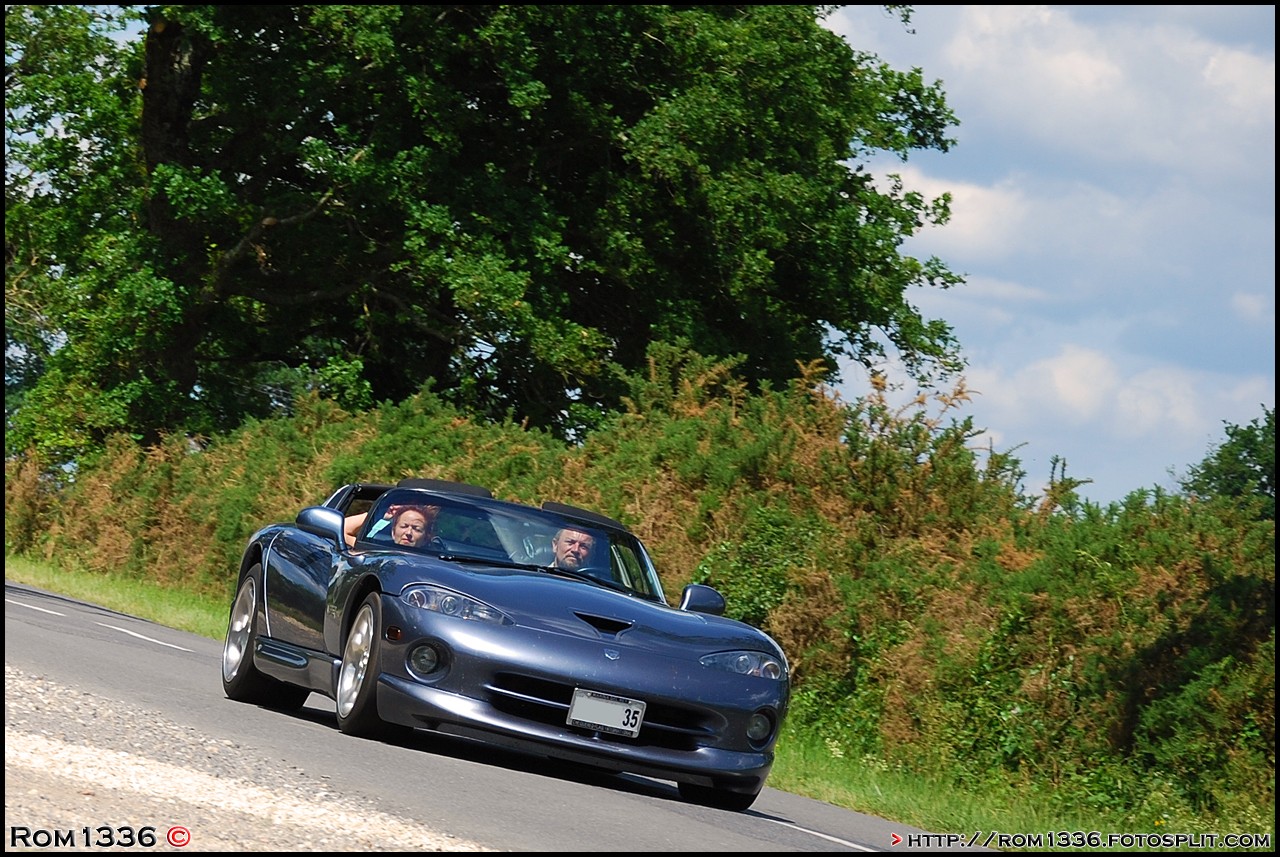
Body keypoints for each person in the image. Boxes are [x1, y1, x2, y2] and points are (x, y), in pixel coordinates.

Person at [345, 504, 437, 548]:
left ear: (426, 538)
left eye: (416, 529)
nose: (408, 532)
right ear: (393, 532)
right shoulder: (377, 550)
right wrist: (379, 516)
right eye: (404, 526)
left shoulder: (431, 562)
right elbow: (342, 529)